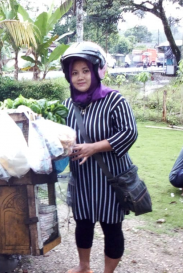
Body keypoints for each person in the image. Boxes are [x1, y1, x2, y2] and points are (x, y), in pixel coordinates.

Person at [60, 41, 138, 273]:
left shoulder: (114, 100)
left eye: (85, 70)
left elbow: (129, 133)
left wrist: (93, 147)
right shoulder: (67, 106)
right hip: (82, 178)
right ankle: (84, 267)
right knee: (83, 224)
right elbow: (60, 138)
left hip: (110, 179)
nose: (80, 77)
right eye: (74, 72)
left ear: (96, 71)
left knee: (111, 226)